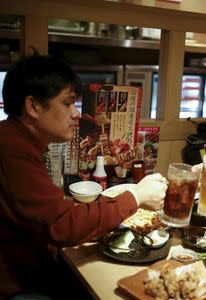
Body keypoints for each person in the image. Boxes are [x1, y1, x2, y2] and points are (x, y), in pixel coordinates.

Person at [0, 55, 168, 299]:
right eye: (68, 104)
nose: (76, 113)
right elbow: (61, 226)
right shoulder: (12, 150)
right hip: (16, 288)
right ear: (33, 106)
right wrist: (137, 195)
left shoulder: (16, 140)